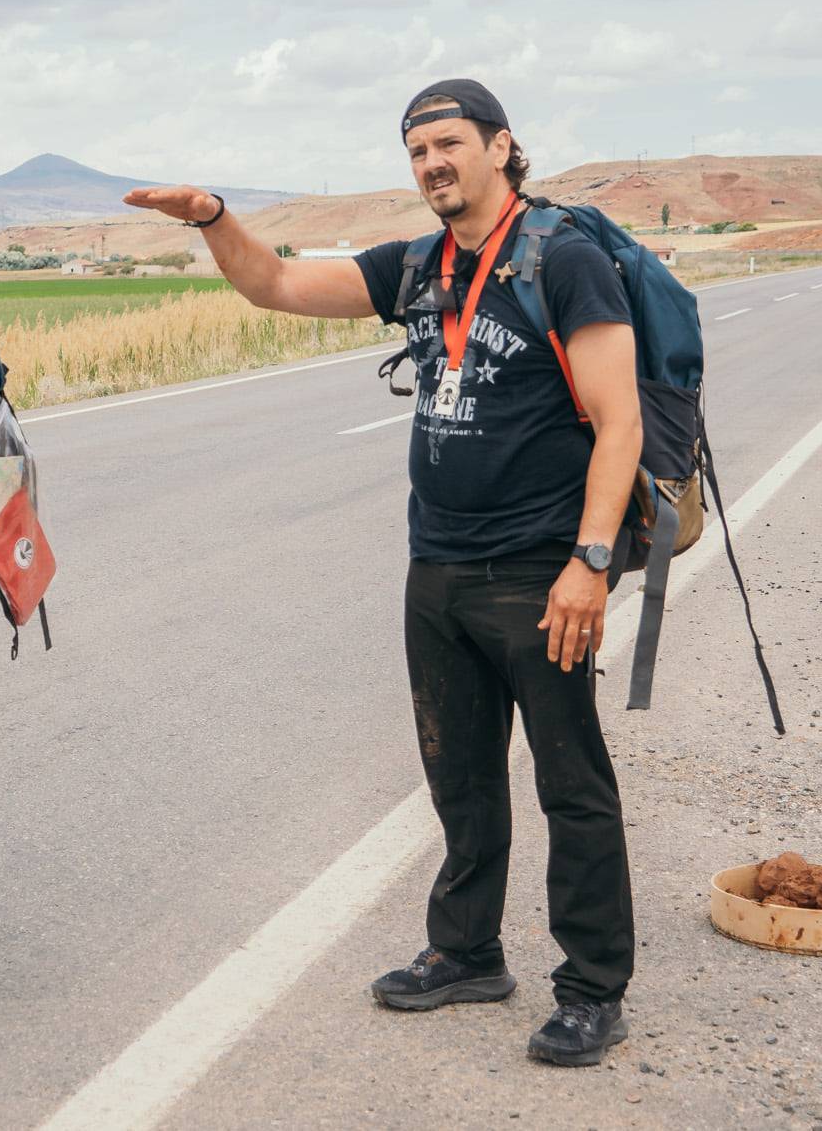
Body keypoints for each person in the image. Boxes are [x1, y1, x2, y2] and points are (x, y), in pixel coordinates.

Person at [124, 80, 642, 1067]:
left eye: (447, 144)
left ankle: (590, 988)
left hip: (537, 566)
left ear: (499, 147)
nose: (431, 165)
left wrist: (588, 562)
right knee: (458, 775)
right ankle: (465, 953)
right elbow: (274, 284)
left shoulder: (561, 260)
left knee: (571, 782)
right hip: (436, 562)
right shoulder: (416, 266)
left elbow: (615, 419)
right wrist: (213, 220)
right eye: (415, 152)